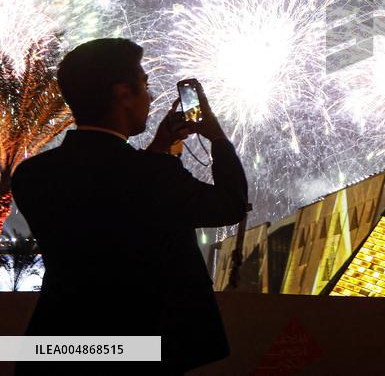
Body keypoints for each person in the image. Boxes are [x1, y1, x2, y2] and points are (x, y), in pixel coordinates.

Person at [10, 38, 248, 374]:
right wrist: (218, 138)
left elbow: (115, 192)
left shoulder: (32, 175)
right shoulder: (153, 176)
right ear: (123, 94)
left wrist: (162, 145)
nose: (150, 98)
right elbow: (229, 205)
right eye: (145, 85)